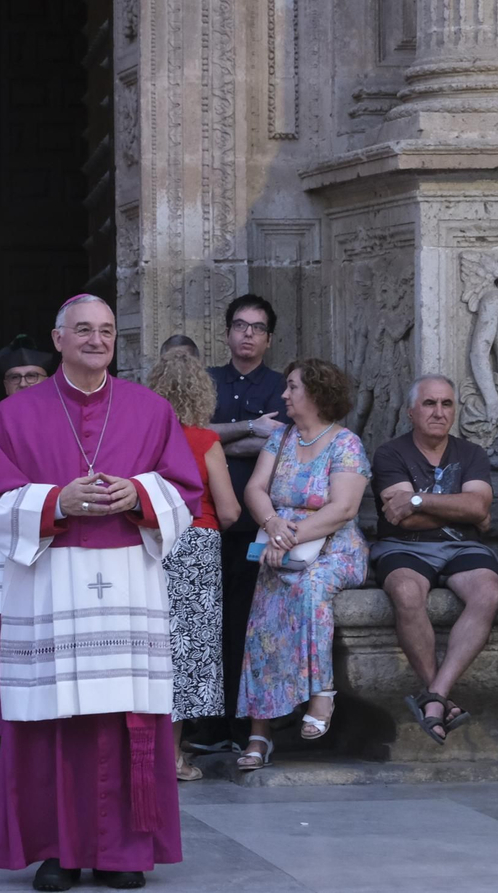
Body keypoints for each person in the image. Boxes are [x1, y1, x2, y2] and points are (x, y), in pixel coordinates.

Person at [0, 294, 203, 891]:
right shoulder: (14, 415)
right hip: (50, 584)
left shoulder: (151, 410)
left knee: (126, 720)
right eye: (83, 330)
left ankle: (123, 853)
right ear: (58, 339)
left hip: (128, 580)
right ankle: (59, 851)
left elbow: (188, 491)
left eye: (105, 330)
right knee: (57, 720)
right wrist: (56, 501)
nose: (96, 340)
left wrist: (140, 494)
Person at [235, 359, 370, 769]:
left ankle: (321, 694)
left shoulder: (345, 443)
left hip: (335, 550)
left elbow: (343, 508)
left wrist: (288, 536)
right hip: (282, 543)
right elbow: (255, 488)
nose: (284, 395)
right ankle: (258, 735)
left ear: (315, 393)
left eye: (292, 387)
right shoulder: (281, 439)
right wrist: (273, 524)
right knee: (262, 615)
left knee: (309, 587)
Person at [369, 374, 498, 744]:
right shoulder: (390, 453)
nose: (439, 412)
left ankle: (435, 695)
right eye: (429, 403)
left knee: (489, 593)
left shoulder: (471, 453)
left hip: (463, 547)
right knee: (407, 594)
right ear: (411, 411)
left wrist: (417, 499)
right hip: (403, 546)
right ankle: (438, 697)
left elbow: (477, 505)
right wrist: (465, 510)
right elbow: (401, 517)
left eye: (446, 404)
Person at [189, 294, 287, 754]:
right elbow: (186, 433)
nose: (248, 334)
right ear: (227, 332)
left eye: (257, 327)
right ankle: (202, 730)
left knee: (245, 626)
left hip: (254, 526)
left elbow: (281, 445)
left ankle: (238, 726)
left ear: (269, 337)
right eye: (240, 325)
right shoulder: (205, 382)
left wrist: (213, 440)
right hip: (203, 524)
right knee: (202, 627)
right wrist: (250, 429)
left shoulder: (282, 386)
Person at [143, 348, 241, 781]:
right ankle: (174, 757)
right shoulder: (204, 441)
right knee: (186, 654)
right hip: (197, 547)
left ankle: (143, 755)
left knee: (150, 648)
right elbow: (230, 509)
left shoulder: (142, 439)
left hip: (149, 544)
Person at [0, 335, 58, 742]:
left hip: (56, 537)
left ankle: (50, 720)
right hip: (3, 543)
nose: (24, 384)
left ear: (50, 377)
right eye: (15, 377)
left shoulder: (68, 425)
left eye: (33, 376)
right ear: (3, 385)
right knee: (1, 633)